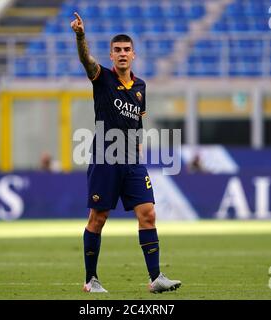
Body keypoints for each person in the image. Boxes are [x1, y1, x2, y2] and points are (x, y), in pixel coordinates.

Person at [70, 12, 181, 294]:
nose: (122, 54)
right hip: (106, 158)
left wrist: (139, 149)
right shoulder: (102, 78)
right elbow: (86, 60)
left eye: (126, 50)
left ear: (134, 55)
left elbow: (138, 121)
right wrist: (81, 36)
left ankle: (155, 278)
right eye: (117, 50)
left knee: (149, 214)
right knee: (99, 217)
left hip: (131, 161)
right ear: (111, 56)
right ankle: (90, 280)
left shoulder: (141, 86)